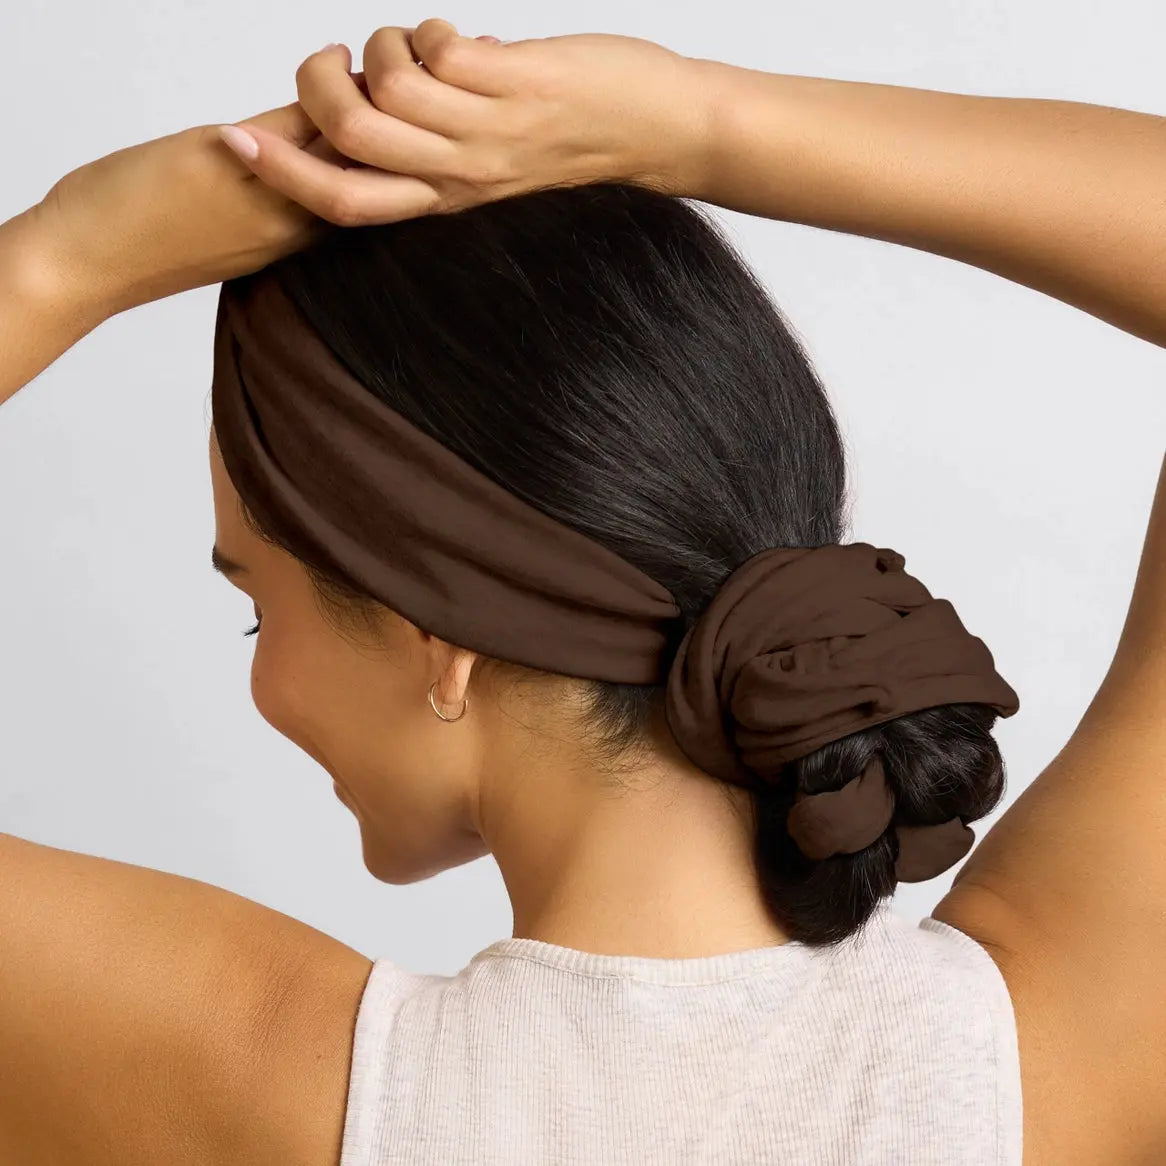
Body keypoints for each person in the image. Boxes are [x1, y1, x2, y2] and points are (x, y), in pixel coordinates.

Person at [0, 17, 1162, 1166]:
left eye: (260, 608)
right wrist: (698, 123)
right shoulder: (1042, 1056)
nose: (260, 682)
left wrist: (74, 251)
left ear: (436, 629)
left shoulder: (267, 1078)